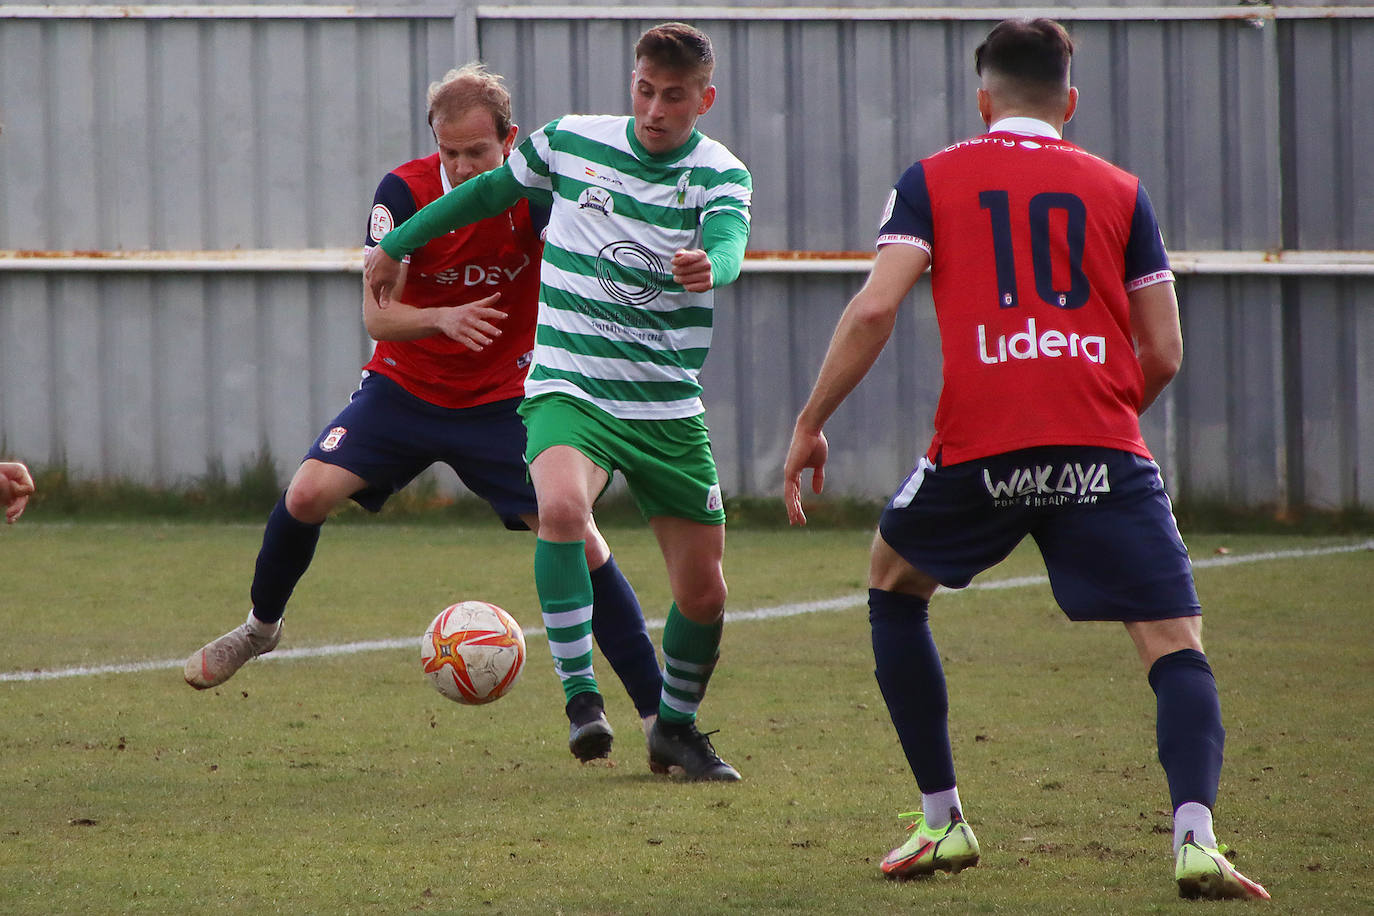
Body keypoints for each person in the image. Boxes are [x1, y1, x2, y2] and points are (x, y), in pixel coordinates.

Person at [782, 18, 1269, 900]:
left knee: (894, 584)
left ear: (982, 98)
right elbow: (1162, 353)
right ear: (1069, 103)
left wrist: (811, 421)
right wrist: (1089, 421)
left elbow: (872, 311)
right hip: (1103, 447)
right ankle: (1195, 838)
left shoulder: (931, 178)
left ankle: (942, 821)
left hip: (982, 446)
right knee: (1173, 644)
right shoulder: (1122, 190)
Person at [184, 64, 664, 765]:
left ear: (511, 142)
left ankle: (658, 721)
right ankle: (260, 628)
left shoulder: (534, 200)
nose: (465, 167)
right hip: (406, 389)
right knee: (308, 492)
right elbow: (376, 316)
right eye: (451, 153)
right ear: (434, 145)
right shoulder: (402, 193)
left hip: (505, 399)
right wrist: (442, 316)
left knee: (576, 535)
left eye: (479, 152)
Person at [365, 23, 752, 782]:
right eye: (645, 90)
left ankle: (673, 728)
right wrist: (396, 242)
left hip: (666, 402)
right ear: (632, 83)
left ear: (703, 99)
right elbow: (483, 192)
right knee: (565, 511)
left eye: (674, 96)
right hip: (570, 383)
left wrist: (717, 264)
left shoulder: (720, 174)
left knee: (703, 594)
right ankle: (582, 702)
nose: (655, 109)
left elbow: (731, 238)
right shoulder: (572, 141)